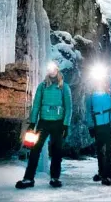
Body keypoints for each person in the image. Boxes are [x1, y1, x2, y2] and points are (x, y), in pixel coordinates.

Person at [16, 60, 72, 189]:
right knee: (35, 150)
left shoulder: (64, 87)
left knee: (57, 152)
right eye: (49, 69)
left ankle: (55, 178)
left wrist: (66, 125)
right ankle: (28, 178)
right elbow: (36, 105)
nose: (51, 71)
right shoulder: (42, 86)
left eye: (53, 68)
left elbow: (69, 108)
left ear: (57, 69)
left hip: (58, 124)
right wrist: (32, 123)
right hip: (43, 123)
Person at [86, 54, 111, 186]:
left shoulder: (109, 85)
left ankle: (110, 177)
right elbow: (88, 110)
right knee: (100, 150)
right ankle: (102, 173)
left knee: (110, 151)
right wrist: (91, 126)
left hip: (110, 123)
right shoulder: (90, 93)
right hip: (98, 125)